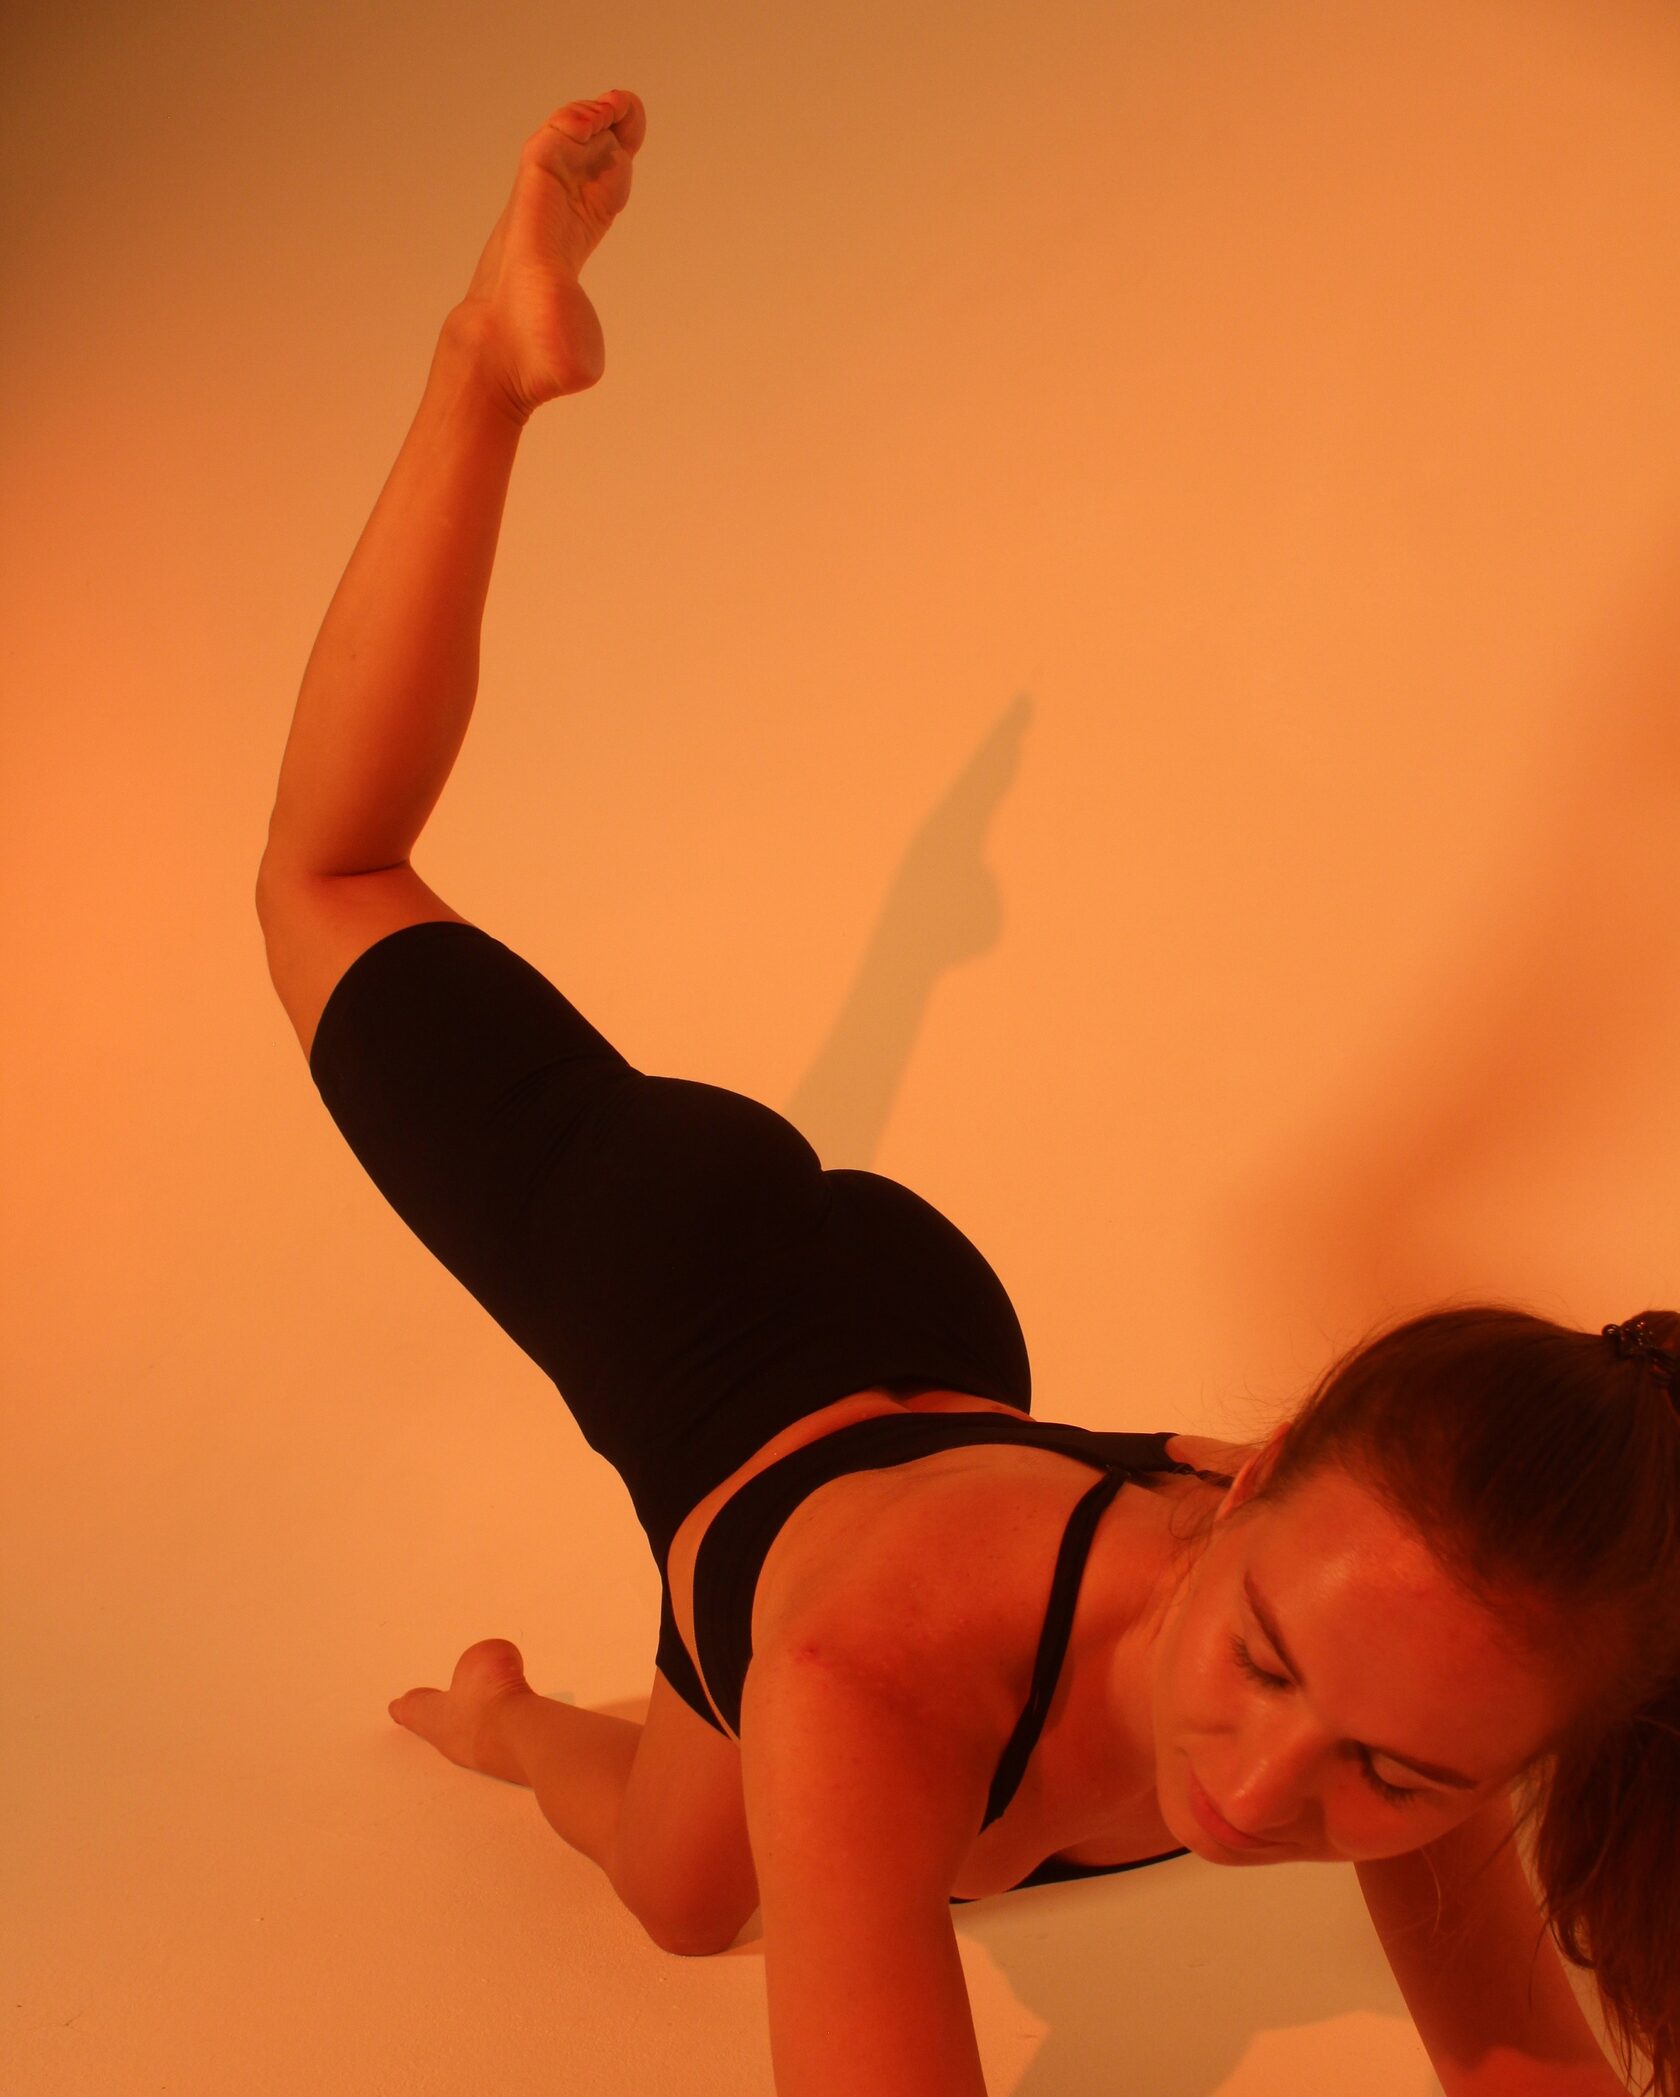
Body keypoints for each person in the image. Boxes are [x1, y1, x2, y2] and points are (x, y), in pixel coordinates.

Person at [254, 90, 1678, 2097]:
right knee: (327, 880)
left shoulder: (1424, 1648)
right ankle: (487, 362)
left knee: (682, 1895)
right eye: (1265, 1658)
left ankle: (499, 1714)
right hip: (685, 1289)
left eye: (1396, 1777)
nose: (1264, 1785)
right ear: (1251, 1472)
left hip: (936, 1376)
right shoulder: (869, 1682)